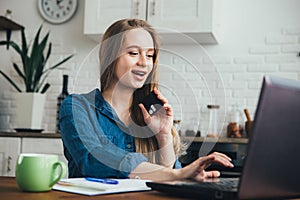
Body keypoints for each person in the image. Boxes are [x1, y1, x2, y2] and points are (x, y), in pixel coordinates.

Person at [59, 18, 233, 182]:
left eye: (150, 55)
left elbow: (166, 178)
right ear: (110, 57)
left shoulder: (151, 114)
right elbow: (92, 159)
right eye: (134, 53)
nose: (144, 62)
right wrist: (178, 174)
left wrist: (163, 136)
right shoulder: (77, 107)